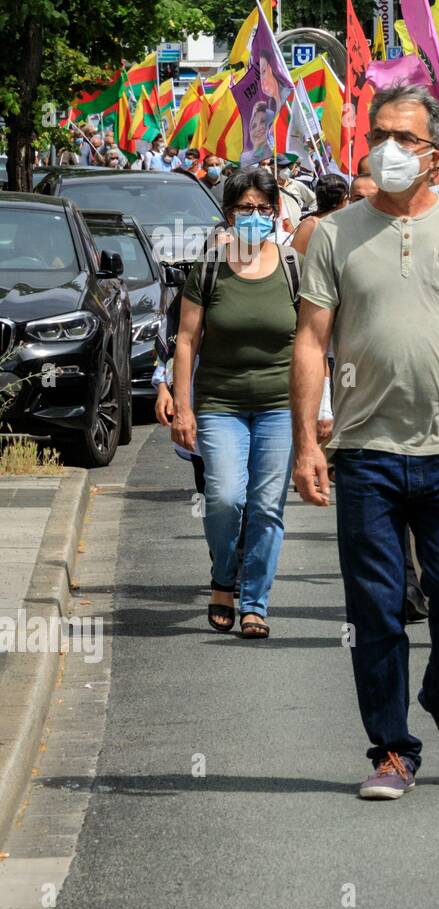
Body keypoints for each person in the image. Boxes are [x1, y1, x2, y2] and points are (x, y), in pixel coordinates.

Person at [290, 84, 439, 800]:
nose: (388, 148)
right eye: (380, 134)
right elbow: (310, 341)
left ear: (435, 154)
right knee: (376, 607)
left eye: (405, 137)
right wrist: (307, 440)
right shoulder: (334, 234)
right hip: (364, 450)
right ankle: (391, 749)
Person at [170, 168, 300, 640]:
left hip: (280, 407)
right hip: (219, 404)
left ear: (276, 214)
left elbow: (310, 345)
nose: (255, 217)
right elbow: (186, 341)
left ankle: (254, 602)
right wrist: (182, 407)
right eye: (245, 209)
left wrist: (320, 409)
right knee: (224, 497)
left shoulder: (293, 267)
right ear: (228, 215)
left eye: (263, 209)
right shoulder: (207, 269)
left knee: (267, 506)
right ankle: (223, 579)